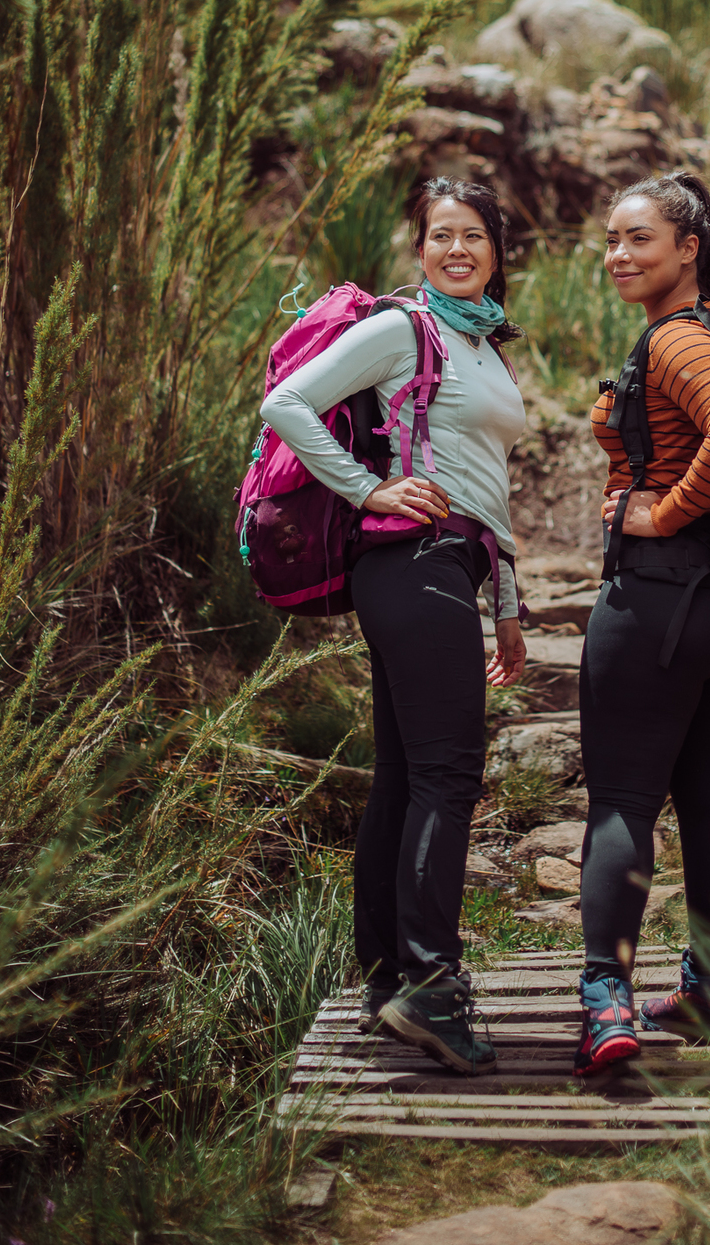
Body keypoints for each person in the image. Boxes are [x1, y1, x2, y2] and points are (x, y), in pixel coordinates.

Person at [260, 177, 527, 1076]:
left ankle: (387, 982)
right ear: (420, 251)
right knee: (449, 775)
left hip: (453, 566)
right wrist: (368, 488)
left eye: (474, 235)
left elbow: (485, 479)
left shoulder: (483, 343)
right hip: (411, 562)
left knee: (409, 775)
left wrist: (508, 604)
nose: (457, 249)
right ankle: (432, 984)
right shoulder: (404, 328)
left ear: (496, 251)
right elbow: (287, 403)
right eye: (440, 235)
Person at [573, 170, 710, 1075]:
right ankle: (709, 992)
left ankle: (606, 1002)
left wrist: (663, 514)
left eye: (639, 239)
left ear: (689, 250)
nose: (618, 255)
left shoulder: (678, 339)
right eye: (611, 240)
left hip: (657, 601)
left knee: (620, 801)